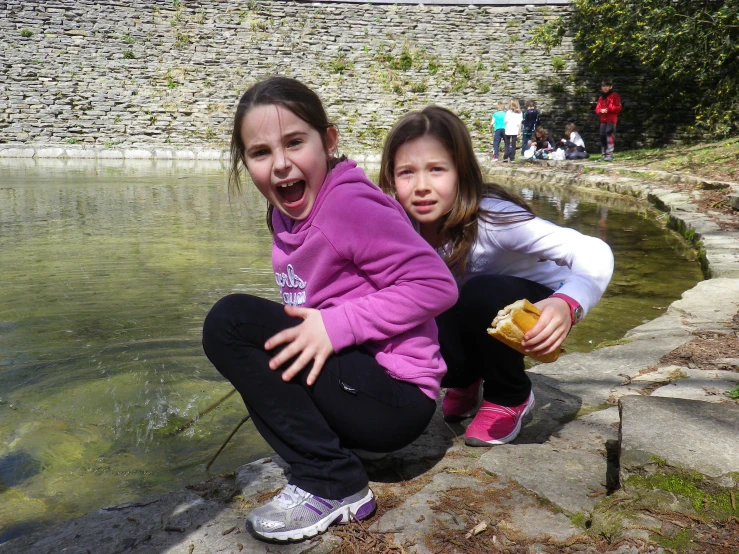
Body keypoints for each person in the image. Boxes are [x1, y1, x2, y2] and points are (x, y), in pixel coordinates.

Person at [202, 77, 458, 542]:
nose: (280, 164)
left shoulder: (347, 204)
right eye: (260, 153)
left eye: (295, 142)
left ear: (330, 140)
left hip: (395, 398)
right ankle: (326, 460)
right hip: (358, 390)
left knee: (230, 321)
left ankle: (333, 483)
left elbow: (436, 285)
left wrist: (335, 326)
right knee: (260, 336)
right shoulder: (287, 212)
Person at [378, 106, 613, 447]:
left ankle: (510, 394)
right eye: (407, 173)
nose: (422, 187)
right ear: (390, 179)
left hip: (538, 302)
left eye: (437, 170)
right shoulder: (398, 229)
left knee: (481, 292)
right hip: (471, 309)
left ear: (462, 173)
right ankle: (467, 378)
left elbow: (593, 252)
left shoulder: (492, 218)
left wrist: (567, 303)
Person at [595, 79, 622, 161]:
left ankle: (609, 154)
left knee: (609, 136)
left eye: (606, 86)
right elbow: (597, 109)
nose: (605, 88)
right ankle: (603, 154)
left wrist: (608, 109)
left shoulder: (614, 95)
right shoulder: (601, 98)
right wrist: (600, 111)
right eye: (603, 86)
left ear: (610, 87)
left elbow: (618, 107)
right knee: (602, 136)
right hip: (603, 120)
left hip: (611, 119)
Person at [502, 98, 523, 163]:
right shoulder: (520, 113)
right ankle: (512, 158)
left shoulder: (508, 112)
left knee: (507, 144)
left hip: (508, 129)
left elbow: (505, 121)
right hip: (515, 130)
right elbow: (520, 123)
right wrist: (519, 131)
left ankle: (506, 156)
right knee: (513, 144)